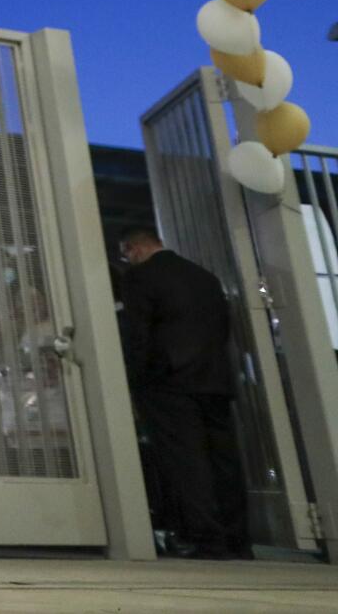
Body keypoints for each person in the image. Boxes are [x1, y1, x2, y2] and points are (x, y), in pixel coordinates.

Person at [117, 226, 249, 560]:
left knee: (186, 460)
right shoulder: (205, 277)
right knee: (224, 460)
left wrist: (136, 379)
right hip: (214, 378)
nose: (127, 260)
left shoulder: (139, 278)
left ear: (134, 249)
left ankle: (207, 538)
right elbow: (222, 328)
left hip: (168, 381)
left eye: (126, 254)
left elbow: (139, 336)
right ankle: (238, 538)